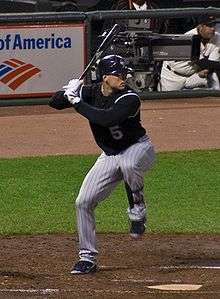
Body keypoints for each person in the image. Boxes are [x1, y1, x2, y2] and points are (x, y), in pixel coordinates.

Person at [49, 55, 155, 274]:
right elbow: (53, 103)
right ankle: (87, 257)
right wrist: (68, 92)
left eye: (125, 73)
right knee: (83, 202)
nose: (124, 77)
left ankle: (137, 208)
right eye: (119, 74)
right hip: (108, 155)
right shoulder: (89, 92)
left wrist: (77, 102)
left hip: (139, 148)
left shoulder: (130, 98)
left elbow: (107, 119)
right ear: (105, 77)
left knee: (128, 163)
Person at [159, 15, 220, 91]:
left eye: (214, 25)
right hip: (173, 76)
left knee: (213, 80)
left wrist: (207, 70)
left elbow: (212, 63)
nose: (213, 29)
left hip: (193, 75)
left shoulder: (217, 37)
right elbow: (201, 62)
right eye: (209, 26)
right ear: (200, 26)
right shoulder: (189, 37)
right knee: (167, 101)